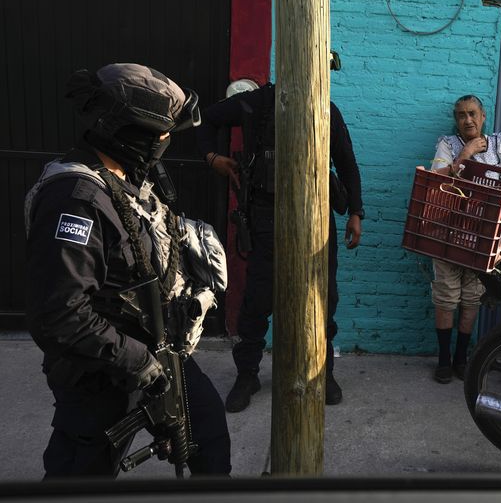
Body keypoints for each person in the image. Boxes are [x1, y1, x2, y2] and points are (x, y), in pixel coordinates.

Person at [24, 63, 231, 477]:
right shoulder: (76, 198)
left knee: (208, 438)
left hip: (160, 352)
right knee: (81, 474)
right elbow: (61, 313)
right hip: (102, 373)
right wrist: (138, 362)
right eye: (160, 134)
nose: (165, 142)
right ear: (128, 132)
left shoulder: (134, 179)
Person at [197, 83, 364, 411]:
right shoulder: (255, 103)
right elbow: (204, 117)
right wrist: (212, 157)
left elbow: (346, 162)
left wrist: (356, 212)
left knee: (323, 297)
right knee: (258, 299)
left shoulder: (325, 108)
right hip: (266, 216)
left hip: (316, 218)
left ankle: (323, 372)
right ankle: (247, 374)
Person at [429, 94, 501, 384]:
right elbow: (436, 179)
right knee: (446, 297)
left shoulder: (498, 148)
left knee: (472, 298)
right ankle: (444, 361)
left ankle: (462, 359)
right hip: (446, 234)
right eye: (461, 115)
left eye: (472, 113)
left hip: (482, 240)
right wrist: (466, 154)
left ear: (483, 116)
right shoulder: (447, 145)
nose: (467, 120)